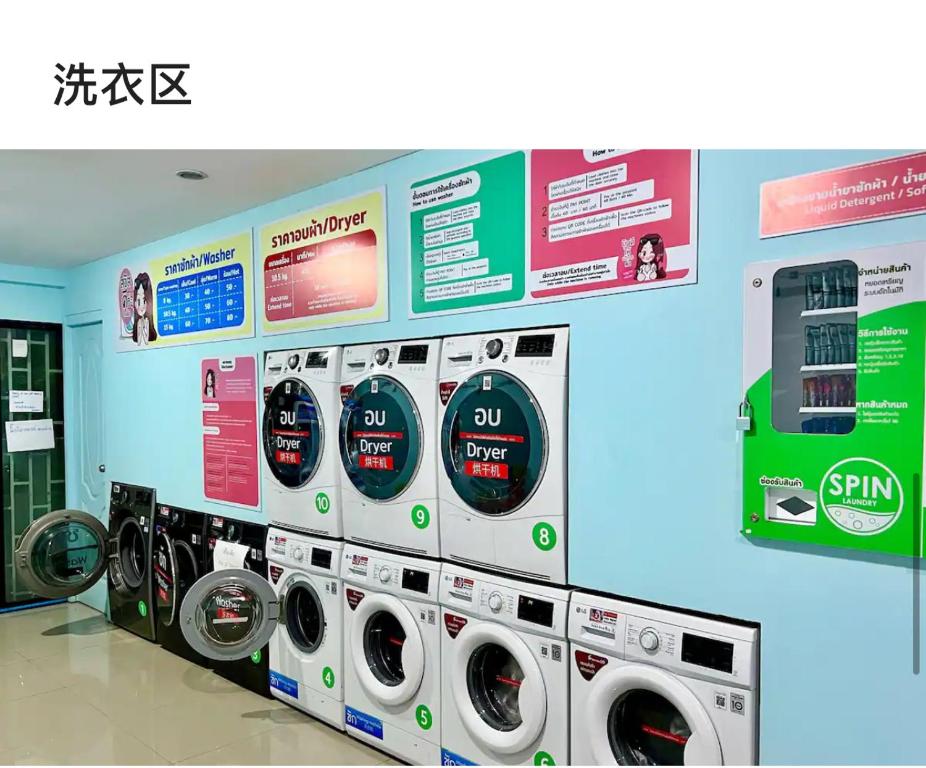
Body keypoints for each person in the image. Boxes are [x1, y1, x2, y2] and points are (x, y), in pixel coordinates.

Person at [131, 272, 158, 345]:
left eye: (144, 299)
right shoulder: (138, 321)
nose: (141, 306)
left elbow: (146, 341)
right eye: (138, 299)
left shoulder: (147, 320)